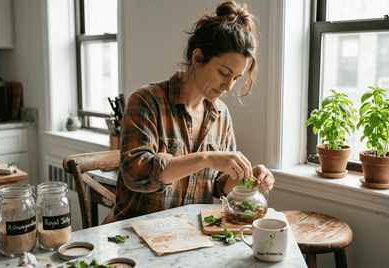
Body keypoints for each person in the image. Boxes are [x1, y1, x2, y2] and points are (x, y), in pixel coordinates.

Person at [109, 1, 275, 222]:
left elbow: (219, 184)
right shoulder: (148, 101)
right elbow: (135, 174)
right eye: (223, 73)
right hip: (137, 236)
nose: (229, 86)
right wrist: (206, 158)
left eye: (236, 78)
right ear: (197, 58)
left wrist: (247, 177)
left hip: (192, 234)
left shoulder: (221, 115)